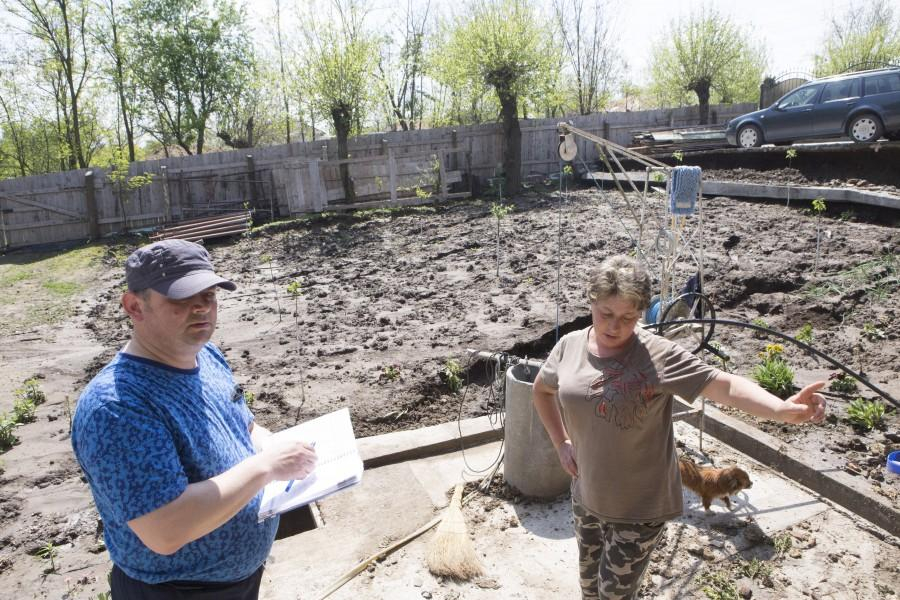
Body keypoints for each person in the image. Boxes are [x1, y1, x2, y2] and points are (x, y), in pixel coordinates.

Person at [532, 255, 826, 600]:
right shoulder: (570, 346)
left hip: (638, 507)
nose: (614, 327)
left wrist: (781, 409)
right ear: (591, 302)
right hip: (587, 496)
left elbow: (723, 384)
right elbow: (542, 389)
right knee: (588, 589)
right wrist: (560, 442)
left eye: (628, 317)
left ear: (642, 313)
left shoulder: (657, 356)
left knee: (613, 595)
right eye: (606, 314)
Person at [72, 239, 317, 599]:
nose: (201, 308)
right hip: (178, 592)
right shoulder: (117, 405)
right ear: (134, 307)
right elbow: (165, 530)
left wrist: (273, 446)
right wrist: (266, 467)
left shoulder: (207, 356)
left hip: (237, 580)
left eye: (209, 295)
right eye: (181, 298)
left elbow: (243, 427)